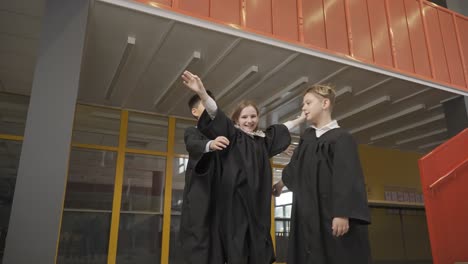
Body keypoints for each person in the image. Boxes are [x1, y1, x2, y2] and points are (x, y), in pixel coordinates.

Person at [181, 70, 304, 264]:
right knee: (237, 245)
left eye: (253, 116)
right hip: (235, 201)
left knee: (258, 246)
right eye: (244, 117)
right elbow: (215, 113)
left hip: (258, 205)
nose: (249, 120)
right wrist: (203, 93)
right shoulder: (233, 136)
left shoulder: (263, 141)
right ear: (236, 120)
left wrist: (301, 118)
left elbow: (282, 128)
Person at [272, 84, 371, 264]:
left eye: (308, 103)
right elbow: (295, 166)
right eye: (303, 104)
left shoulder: (341, 138)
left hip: (330, 214)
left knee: (335, 254)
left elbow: (347, 178)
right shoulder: (308, 138)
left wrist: (342, 213)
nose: (303, 108)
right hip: (306, 214)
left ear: (325, 103)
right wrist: (280, 185)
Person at [179, 91, 230, 263]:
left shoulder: (223, 132)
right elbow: (192, 145)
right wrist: (210, 144)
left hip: (220, 195)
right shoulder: (192, 132)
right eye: (205, 105)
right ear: (195, 112)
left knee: (218, 239)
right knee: (198, 238)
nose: (210, 108)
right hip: (199, 195)